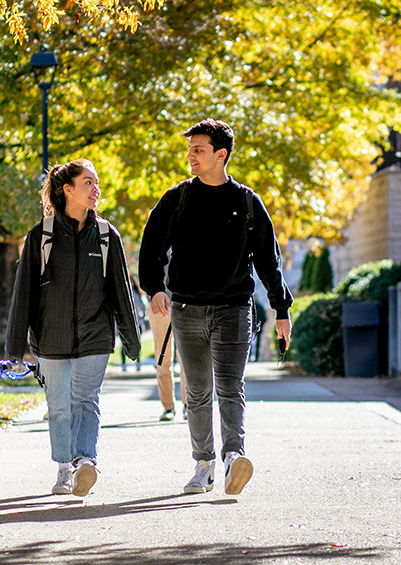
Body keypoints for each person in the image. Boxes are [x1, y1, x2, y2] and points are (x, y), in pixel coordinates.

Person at [139, 119, 293, 496]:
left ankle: (233, 458)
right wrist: (155, 288)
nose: (191, 156)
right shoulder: (177, 199)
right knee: (197, 393)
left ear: (220, 155)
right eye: (190, 149)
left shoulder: (246, 201)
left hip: (234, 310)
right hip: (187, 309)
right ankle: (203, 463)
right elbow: (151, 247)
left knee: (229, 387)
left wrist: (281, 309)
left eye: (198, 149)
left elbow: (268, 261)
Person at [6, 158, 140, 497]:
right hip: (50, 338)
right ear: (68, 190)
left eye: (96, 184)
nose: (96, 190)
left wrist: (131, 339)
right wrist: (13, 348)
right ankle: (64, 467)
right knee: (59, 406)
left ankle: (86, 462)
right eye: (88, 183)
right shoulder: (42, 236)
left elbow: (121, 291)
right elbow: (23, 294)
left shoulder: (107, 236)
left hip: (95, 336)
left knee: (86, 401)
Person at [147, 290, 185, 421]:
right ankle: (168, 407)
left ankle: (188, 404)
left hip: (184, 304)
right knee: (162, 360)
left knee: (187, 361)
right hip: (159, 307)